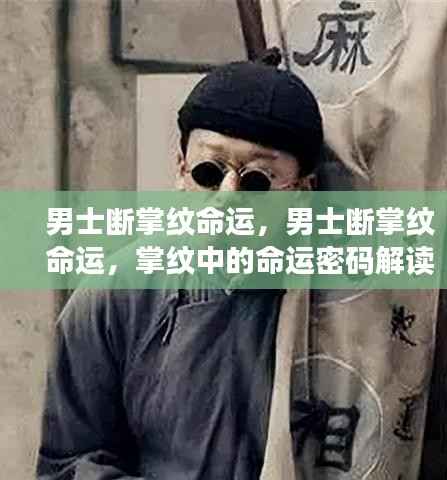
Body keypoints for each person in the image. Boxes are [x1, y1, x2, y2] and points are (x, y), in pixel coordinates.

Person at [36, 58, 325, 480]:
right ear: (180, 169)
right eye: (209, 173)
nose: (228, 198)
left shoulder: (336, 305)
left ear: (302, 192)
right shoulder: (118, 294)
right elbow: (66, 465)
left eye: (258, 180)